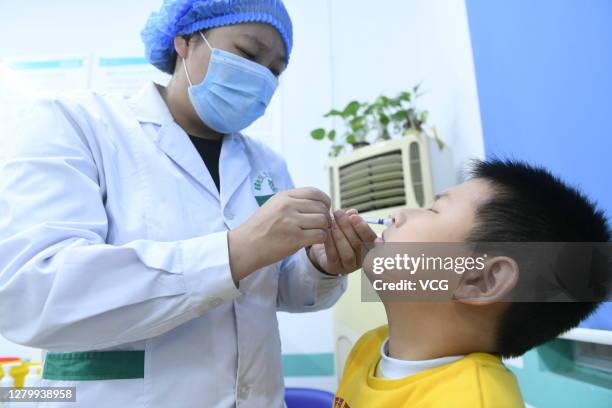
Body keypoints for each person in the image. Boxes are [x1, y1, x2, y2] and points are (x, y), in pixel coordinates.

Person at [0, 1, 377, 407]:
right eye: (249, 54)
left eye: (275, 70)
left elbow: (278, 288)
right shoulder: (77, 124)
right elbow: (30, 292)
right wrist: (234, 251)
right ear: (185, 41)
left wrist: (319, 265)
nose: (261, 77)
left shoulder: (266, 165)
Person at [334, 159, 611, 408]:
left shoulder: (474, 401)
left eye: (433, 210)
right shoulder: (368, 348)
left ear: (480, 279)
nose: (398, 215)